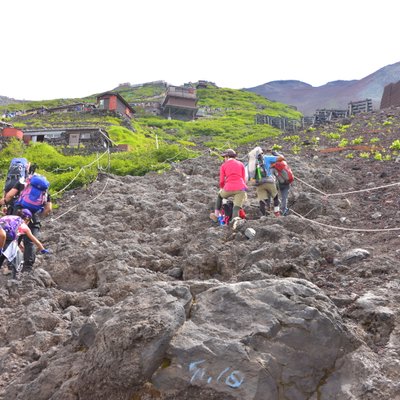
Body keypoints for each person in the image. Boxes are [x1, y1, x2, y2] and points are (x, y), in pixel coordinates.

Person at [0, 172, 52, 272]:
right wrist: (39, 215)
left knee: (13, 239)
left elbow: (9, 196)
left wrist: (5, 204)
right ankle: (28, 267)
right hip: (34, 215)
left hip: (18, 212)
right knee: (30, 241)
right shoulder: (44, 191)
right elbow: (48, 209)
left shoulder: (22, 183)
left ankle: (11, 265)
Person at [0, 209, 49, 278]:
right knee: (16, 256)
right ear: (27, 219)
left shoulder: (10, 217)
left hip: (2, 233)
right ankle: (15, 278)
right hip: (5, 236)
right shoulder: (24, 225)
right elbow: (34, 239)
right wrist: (42, 249)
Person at [210, 148, 248, 229]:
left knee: (220, 196)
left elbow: (221, 180)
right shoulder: (241, 164)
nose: (224, 159)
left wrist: (221, 188)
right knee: (236, 207)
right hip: (240, 188)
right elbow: (244, 178)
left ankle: (216, 215)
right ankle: (234, 223)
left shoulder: (224, 165)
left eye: (224, 157)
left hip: (228, 187)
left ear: (227, 157)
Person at [255, 148, 285, 217]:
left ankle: (263, 216)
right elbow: (281, 158)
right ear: (262, 153)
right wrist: (272, 165)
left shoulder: (253, 161)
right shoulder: (266, 158)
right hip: (269, 181)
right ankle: (276, 212)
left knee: (262, 200)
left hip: (259, 183)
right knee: (275, 197)